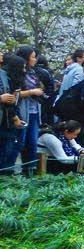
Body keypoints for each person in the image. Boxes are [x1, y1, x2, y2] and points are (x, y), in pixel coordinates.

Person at [2, 47, 47, 175]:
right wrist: (31, 92)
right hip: (21, 110)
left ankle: (29, 170)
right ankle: (8, 171)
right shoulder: (15, 72)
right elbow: (14, 94)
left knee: (31, 142)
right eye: (33, 57)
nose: (35, 59)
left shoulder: (33, 72)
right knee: (17, 142)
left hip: (34, 110)